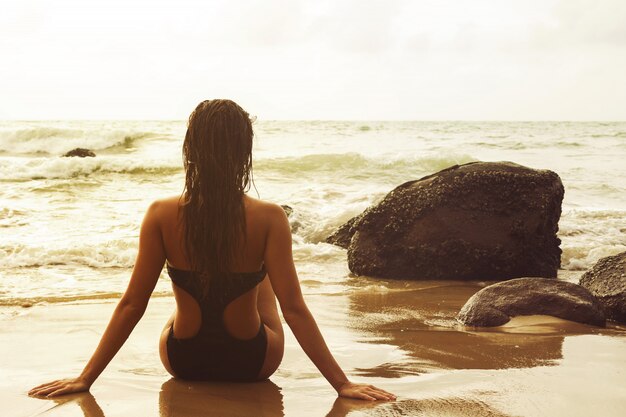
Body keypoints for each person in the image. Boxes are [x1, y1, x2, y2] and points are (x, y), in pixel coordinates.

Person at [28, 99, 396, 402]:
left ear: (191, 149)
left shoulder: (160, 214)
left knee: (193, 289)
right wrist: (341, 384)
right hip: (252, 362)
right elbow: (295, 310)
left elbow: (131, 305)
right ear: (244, 152)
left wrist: (85, 378)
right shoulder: (269, 217)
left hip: (183, 359)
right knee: (260, 277)